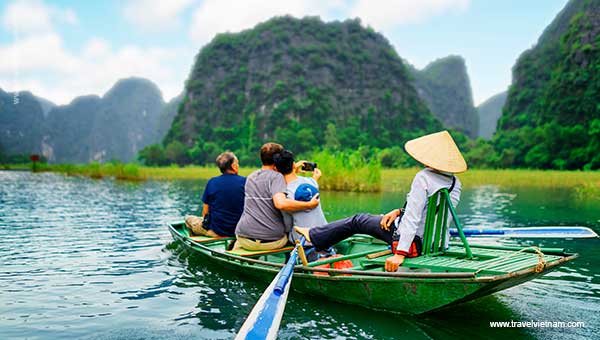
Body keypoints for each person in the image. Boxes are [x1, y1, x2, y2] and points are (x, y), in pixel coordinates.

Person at [295, 131, 466, 272]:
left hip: (412, 242)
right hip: (435, 242)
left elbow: (413, 218)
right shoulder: (454, 182)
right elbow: (436, 213)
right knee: (378, 219)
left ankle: (315, 235)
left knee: (358, 220)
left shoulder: (424, 177)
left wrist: (400, 253)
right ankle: (319, 235)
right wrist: (399, 211)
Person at [234, 142, 320, 251]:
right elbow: (280, 203)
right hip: (270, 241)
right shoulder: (277, 177)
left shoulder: (251, 177)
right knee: (290, 234)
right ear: (277, 160)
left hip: (243, 237)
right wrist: (309, 205)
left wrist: (293, 168)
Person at [185, 151, 246, 237]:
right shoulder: (246, 182)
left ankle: (197, 244)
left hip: (217, 231)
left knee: (188, 219)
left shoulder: (212, 182)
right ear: (233, 166)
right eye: (237, 163)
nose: (238, 165)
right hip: (240, 231)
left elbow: (205, 212)